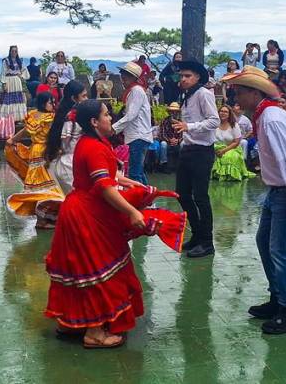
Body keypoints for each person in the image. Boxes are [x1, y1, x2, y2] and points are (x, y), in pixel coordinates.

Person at [43, 100, 186, 349]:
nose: (111, 118)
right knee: (97, 271)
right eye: (107, 115)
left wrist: (132, 183)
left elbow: (110, 176)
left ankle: (71, 323)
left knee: (79, 270)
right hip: (87, 215)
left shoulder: (92, 143)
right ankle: (94, 333)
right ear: (94, 122)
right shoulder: (95, 147)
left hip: (80, 209)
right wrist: (132, 211)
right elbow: (105, 188)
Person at [224, 66, 286, 335]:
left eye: (240, 91)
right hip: (279, 190)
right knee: (265, 242)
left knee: (279, 249)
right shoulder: (265, 116)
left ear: (255, 92)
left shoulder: (271, 118)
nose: (236, 96)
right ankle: (278, 298)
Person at [170, 60, 220, 258]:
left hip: (202, 151)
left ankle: (207, 242)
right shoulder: (186, 96)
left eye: (187, 76)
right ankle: (198, 234)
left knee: (200, 196)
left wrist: (189, 127)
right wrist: (182, 133)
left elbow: (214, 120)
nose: (183, 79)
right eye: (181, 76)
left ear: (198, 77)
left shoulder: (203, 93)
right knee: (182, 194)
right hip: (188, 149)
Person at [6, 93, 65, 229]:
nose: (53, 105)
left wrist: (13, 140)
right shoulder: (47, 118)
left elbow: (25, 132)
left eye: (53, 102)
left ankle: (45, 218)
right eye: (50, 102)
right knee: (45, 187)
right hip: (43, 151)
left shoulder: (34, 116)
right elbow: (52, 136)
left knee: (41, 187)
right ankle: (42, 219)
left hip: (37, 150)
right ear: (43, 103)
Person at [111, 62, 152, 185]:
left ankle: (139, 200)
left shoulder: (136, 91)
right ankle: (147, 198)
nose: (123, 79)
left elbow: (131, 115)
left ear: (134, 78)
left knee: (134, 174)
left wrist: (113, 128)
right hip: (137, 136)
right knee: (138, 172)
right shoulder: (134, 91)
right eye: (123, 76)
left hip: (137, 136)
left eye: (126, 76)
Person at [44, 80, 89, 194]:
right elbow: (66, 144)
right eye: (84, 96)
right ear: (74, 99)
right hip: (70, 165)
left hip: (67, 162)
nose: (86, 99)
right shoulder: (71, 120)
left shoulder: (65, 116)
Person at [211, 105, 256, 182]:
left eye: (226, 112)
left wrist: (223, 151)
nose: (223, 113)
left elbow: (236, 142)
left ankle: (228, 175)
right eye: (221, 111)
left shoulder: (234, 125)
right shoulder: (214, 125)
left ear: (229, 114)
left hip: (231, 148)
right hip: (216, 147)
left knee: (230, 157)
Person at [0, 45, 28, 123]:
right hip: (9, 80)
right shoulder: (6, 60)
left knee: (17, 98)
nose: (14, 52)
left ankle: (17, 118)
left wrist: (21, 76)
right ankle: (7, 117)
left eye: (15, 51)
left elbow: (25, 70)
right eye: (13, 51)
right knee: (7, 98)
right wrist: (4, 83)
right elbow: (3, 72)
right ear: (10, 51)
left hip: (17, 80)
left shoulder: (20, 61)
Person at [158, 102, 184, 173]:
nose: (173, 113)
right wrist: (169, 140)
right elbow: (162, 134)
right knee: (163, 144)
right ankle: (164, 164)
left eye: (175, 112)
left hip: (178, 141)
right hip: (167, 141)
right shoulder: (164, 121)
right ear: (169, 112)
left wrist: (177, 140)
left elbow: (183, 135)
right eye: (172, 111)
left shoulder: (180, 122)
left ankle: (181, 165)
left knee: (183, 144)